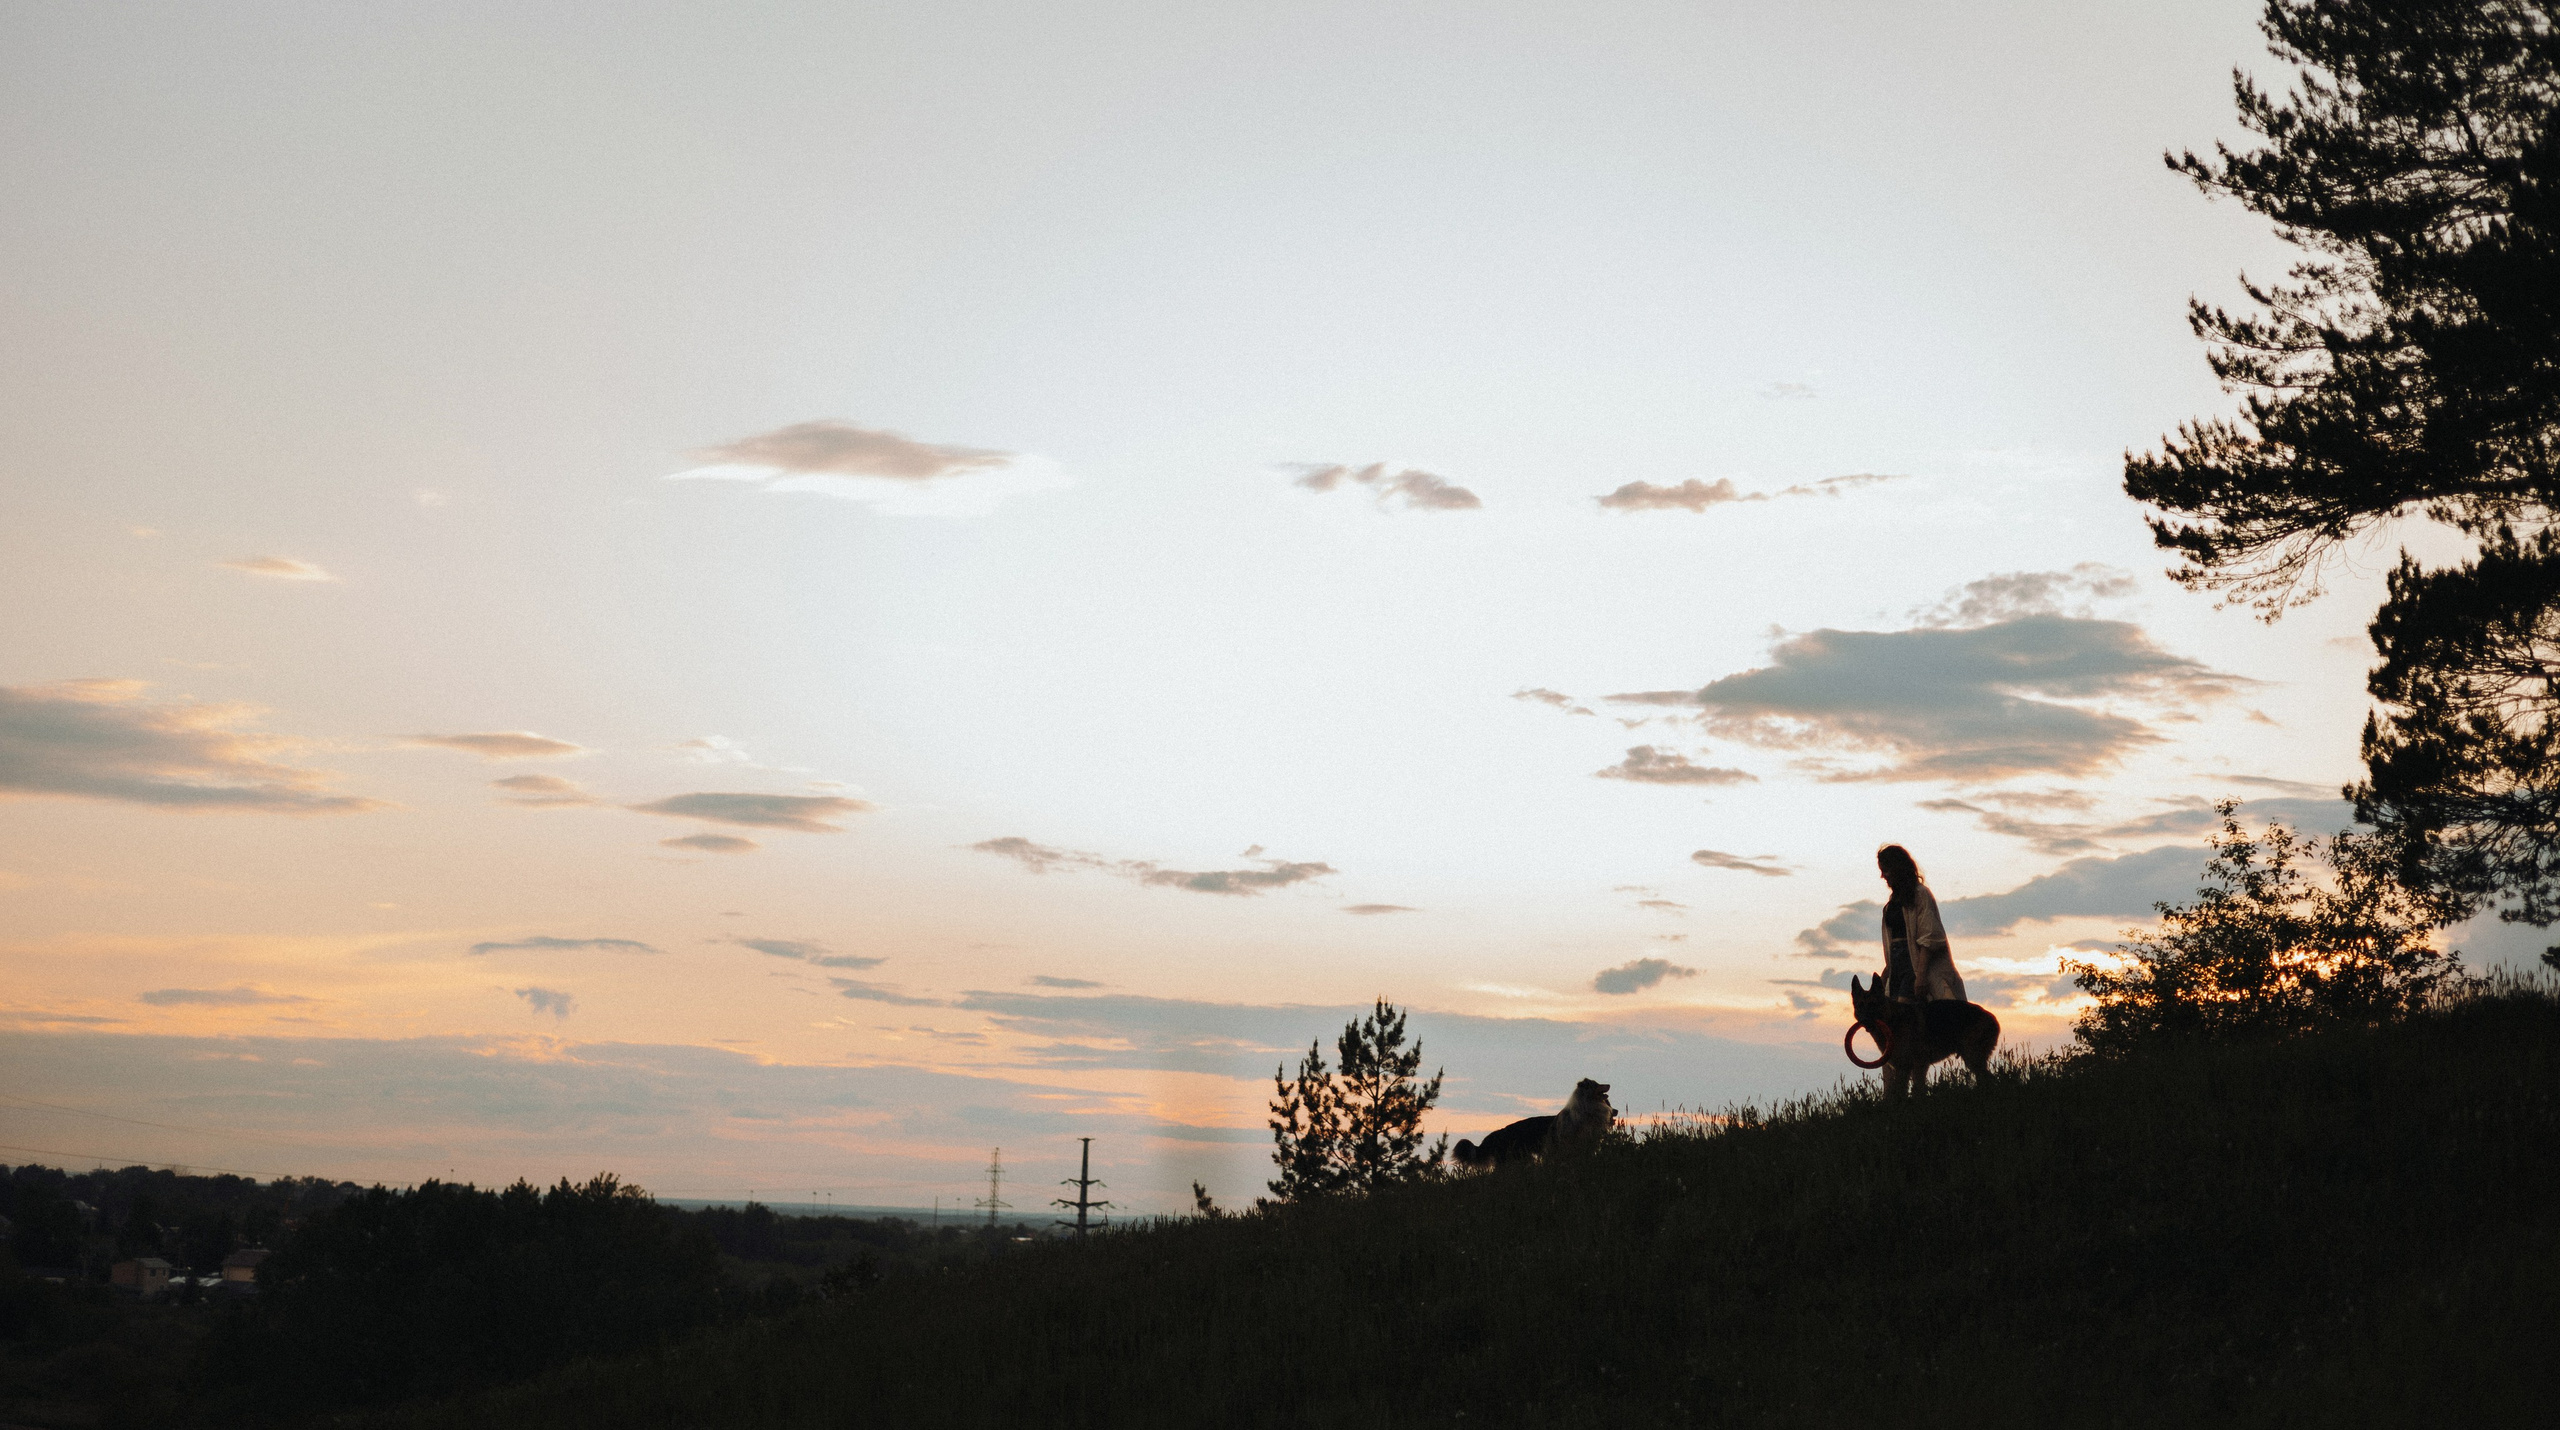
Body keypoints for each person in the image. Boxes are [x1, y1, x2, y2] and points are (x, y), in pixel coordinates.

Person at [1876, 844, 1966, 1005]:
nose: (1883, 876)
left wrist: (1921, 976)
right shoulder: (1892, 903)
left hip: (1914, 966)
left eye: (1886, 870)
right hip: (1897, 968)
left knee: (1905, 1014)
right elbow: (1892, 948)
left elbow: (1929, 937)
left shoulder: (1920, 894)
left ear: (1898, 869)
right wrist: (1885, 976)